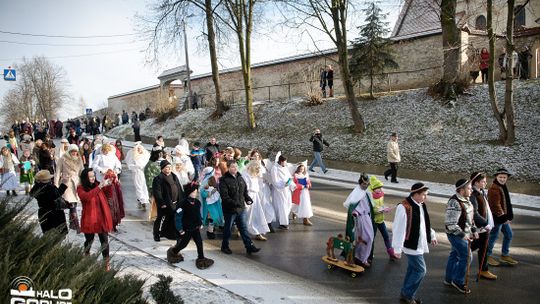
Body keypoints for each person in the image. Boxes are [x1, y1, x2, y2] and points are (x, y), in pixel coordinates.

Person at [392, 183, 438, 304]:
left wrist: (431, 235)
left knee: (413, 269)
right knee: (420, 270)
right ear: (415, 194)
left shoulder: (421, 205)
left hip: (418, 243)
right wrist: (397, 248)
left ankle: (405, 293)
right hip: (411, 244)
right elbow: (398, 228)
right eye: (424, 195)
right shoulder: (404, 207)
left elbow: (424, 224)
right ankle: (408, 294)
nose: (425, 198)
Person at [166, 181, 214, 269]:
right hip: (186, 229)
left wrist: (200, 223)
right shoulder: (182, 204)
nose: (194, 194)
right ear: (188, 193)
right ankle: (173, 251)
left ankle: (201, 258)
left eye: (196, 192)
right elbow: (178, 217)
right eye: (193, 192)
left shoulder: (197, 203)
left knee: (199, 243)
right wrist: (180, 229)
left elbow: (198, 215)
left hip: (195, 228)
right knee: (183, 244)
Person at [444, 179, 478, 294]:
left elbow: (470, 218)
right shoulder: (455, 202)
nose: (471, 190)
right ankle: (458, 281)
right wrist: (463, 235)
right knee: (467, 257)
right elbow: (450, 224)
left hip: (463, 234)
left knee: (454, 255)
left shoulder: (466, 199)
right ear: (461, 190)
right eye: (469, 188)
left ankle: (448, 279)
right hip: (456, 235)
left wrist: (473, 230)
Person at [219, 162, 260, 255]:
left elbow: (244, 192)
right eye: (233, 167)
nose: (235, 168)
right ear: (228, 168)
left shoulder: (240, 178)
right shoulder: (224, 180)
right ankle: (224, 246)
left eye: (236, 167)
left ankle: (249, 246)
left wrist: (248, 199)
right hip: (230, 210)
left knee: (243, 228)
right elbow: (224, 197)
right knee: (228, 229)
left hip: (241, 209)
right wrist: (235, 203)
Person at [77, 168, 114, 271]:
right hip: (90, 218)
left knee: (104, 240)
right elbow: (87, 197)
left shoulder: (98, 185)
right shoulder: (80, 188)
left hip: (101, 217)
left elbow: (109, 195)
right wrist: (100, 186)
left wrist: (109, 185)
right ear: (85, 178)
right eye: (90, 177)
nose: (93, 178)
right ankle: (86, 254)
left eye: (93, 176)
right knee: (89, 240)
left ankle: (106, 262)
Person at [486, 168, 518, 266]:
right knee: (493, 237)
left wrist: (507, 217)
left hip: (503, 218)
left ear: (507, 178)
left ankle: (504, 255)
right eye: (500, 177)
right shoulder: (494, 188)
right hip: (497, 218)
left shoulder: (502, 186)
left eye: (504, 177)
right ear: (496, 177)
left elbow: (506, 203)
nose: (502, 179)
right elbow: (495, 205)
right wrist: (504, 218)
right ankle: (487, 256)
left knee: (509, 235)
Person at [469, 172, 497, 280]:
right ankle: (458, 256)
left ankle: (483, 270)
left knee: (483, 247)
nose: (486, 183)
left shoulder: (482, 191)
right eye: (483, 181)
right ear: (476, 182)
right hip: (479, 227)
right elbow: (474, 213)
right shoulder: (473, 195)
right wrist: (485, 224)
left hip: (485, 227)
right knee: (477, 246)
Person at [343, 173, 374, 267]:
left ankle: (363, 256)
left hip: (367, 218)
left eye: (367, 184)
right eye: (364, 184)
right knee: (360, 238)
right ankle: (358, 257)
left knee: (369, 237)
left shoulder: (367, 193)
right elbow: (351, 206)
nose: (365, 186)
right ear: (360, 183)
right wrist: (355, 212)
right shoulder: (356, 193)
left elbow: (370, 206)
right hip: (359, 219)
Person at [152, 160, 185, 242]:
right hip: (165, 204)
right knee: (159, 219)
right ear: (162, 168)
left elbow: (179, 188)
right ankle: (156, 234)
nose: (169, 169)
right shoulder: (158, 179)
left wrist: (182, 200)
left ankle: (171, 234)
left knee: (173, 218)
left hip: (175, 202)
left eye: (170, 167)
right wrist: (161, 203)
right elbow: (157, 192)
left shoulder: (174, 176)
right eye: (167, 167)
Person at [54, 144, 84, 233]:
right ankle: (77, 225)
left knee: (73, 205)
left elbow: (81, 171)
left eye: (76, 151)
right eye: (73, 151)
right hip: (66, 184)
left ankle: (73, 224)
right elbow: (58, 172)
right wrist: (56, 185)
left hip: (76, 183)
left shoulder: (79, 159)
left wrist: (85, 182)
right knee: (71, 205)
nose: (75, 153)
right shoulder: (63, 159)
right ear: (69, 151)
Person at [368, 176, 399, 260]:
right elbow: (368, 209)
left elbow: (381, 205)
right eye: (377, 188)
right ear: (373, 188)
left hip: (380, 219)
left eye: (380, 188)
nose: (379, 190)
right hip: (373, 220)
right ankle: (369, 255)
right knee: (371, 239)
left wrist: (385, 208)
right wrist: (378, 211)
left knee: (386, 236)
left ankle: (391, 253)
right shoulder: (369, 196)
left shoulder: (381, 195)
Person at [30, 170, 68, 234]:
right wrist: (63, 185)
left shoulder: (36, 188)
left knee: (48, 235)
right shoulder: (48, 188)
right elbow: (56, 195)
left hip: (43, 213)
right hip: (54, 214)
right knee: (58, 235)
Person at [243, 161, 270, 241]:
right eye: (257, 169)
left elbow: (260, 181)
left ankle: (258, 233)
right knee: (247, 215)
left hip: (255, 196)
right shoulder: (245, 175)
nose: (258, 171)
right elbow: (245, 187)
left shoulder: (255, 175)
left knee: (257, 215)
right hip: (248, 196)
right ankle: (241, 229)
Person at [271, 153, 295, 230]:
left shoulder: (285, 167)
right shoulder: (275, 168)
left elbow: (289, 177)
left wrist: (291, 184)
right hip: (279, 191)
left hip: (287, 190)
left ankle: (284, 221)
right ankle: (284, 223)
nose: (286, 163)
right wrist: (283, 184)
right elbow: (275, 181)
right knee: (282, 206)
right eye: (285, 161)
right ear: (281, 161)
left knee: (288, 205)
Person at [125, 142, 151, 209]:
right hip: (137, 173)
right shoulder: (133, 156)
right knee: (139, 186)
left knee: (144, 186)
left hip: (145, 172)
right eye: (138, 149)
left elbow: (147, 162)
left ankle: (146, 198)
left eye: (140, 148)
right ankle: (142, 199)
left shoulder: (145, 154)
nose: (139, 150)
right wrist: (136, 166)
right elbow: (130, 165)